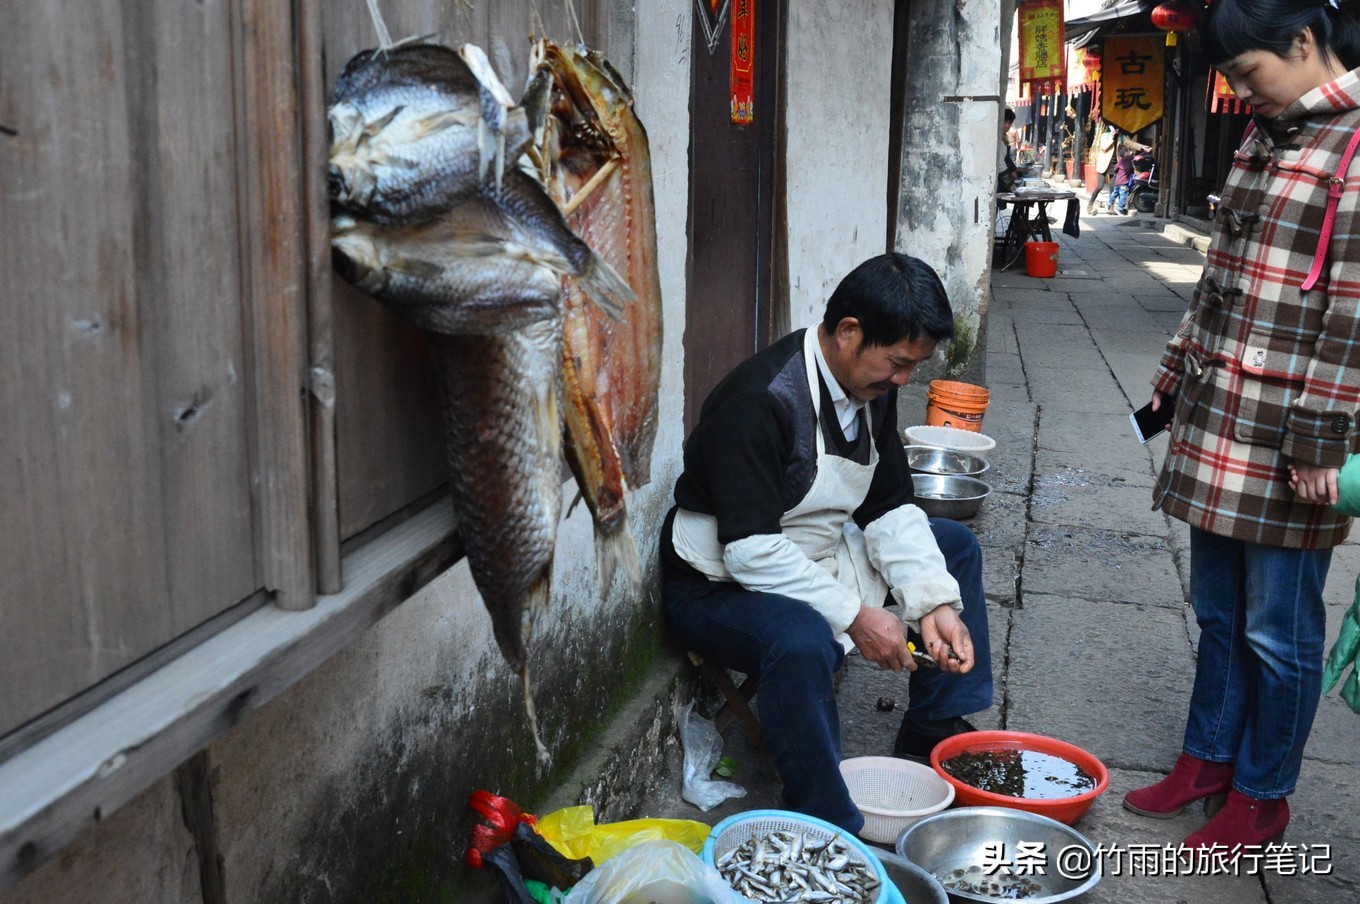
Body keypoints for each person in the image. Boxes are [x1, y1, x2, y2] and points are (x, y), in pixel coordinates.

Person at [1123, 0, 1360, 855]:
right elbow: (1221, 274)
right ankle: (1207, 759)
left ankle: (1263, 795)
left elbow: (1354, 315)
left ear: (1304, 41)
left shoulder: (1355, 145)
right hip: (1224, 410)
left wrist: (1321, 441)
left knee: (1279, 626)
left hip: (1296, 432)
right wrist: (1176, 369)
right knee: (1218, 612)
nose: (1243, 94)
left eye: (1249, 74)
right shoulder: (1272, 132)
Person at [661, 254, 993, 833]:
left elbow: (888, 504)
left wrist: (933, 603)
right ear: (848, 333)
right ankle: (826, 819)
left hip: (813, 550)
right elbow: (750, 551)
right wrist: (859, 616)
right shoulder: (761, 401)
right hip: (718, 583)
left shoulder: (870, 389)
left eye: (912, 366)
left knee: (954, 548)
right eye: (896, 363)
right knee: (803, 640)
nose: (903, 381)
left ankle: (931, 729)